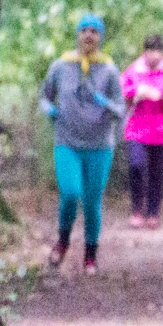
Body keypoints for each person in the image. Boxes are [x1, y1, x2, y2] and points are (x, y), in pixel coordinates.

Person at [40, 14, 128, 273]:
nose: (89, 35)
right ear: (77, 35)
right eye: (84, 30)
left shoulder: (109, 70)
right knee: (70, 192)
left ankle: (91, 254)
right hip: (67, 142)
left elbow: (121, 109)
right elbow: (44, 97)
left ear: (100, 38)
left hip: (100, 145)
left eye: (94, 31)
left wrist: (105, 103)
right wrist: (50, 110)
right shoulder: (60, 66)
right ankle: (63, 242)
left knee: (92, 201)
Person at [121, 35, 163, 229]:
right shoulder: (134, 71)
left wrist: (161, 96)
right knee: (136, 165)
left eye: (157, 51)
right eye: (150, 51)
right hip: (136, 129)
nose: (153, 55)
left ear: (162, 52)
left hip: (161, 130)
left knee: (156, 173)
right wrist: (136, 92)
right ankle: (136, 210)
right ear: (145, 52)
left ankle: (153, 212)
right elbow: (123, 89)